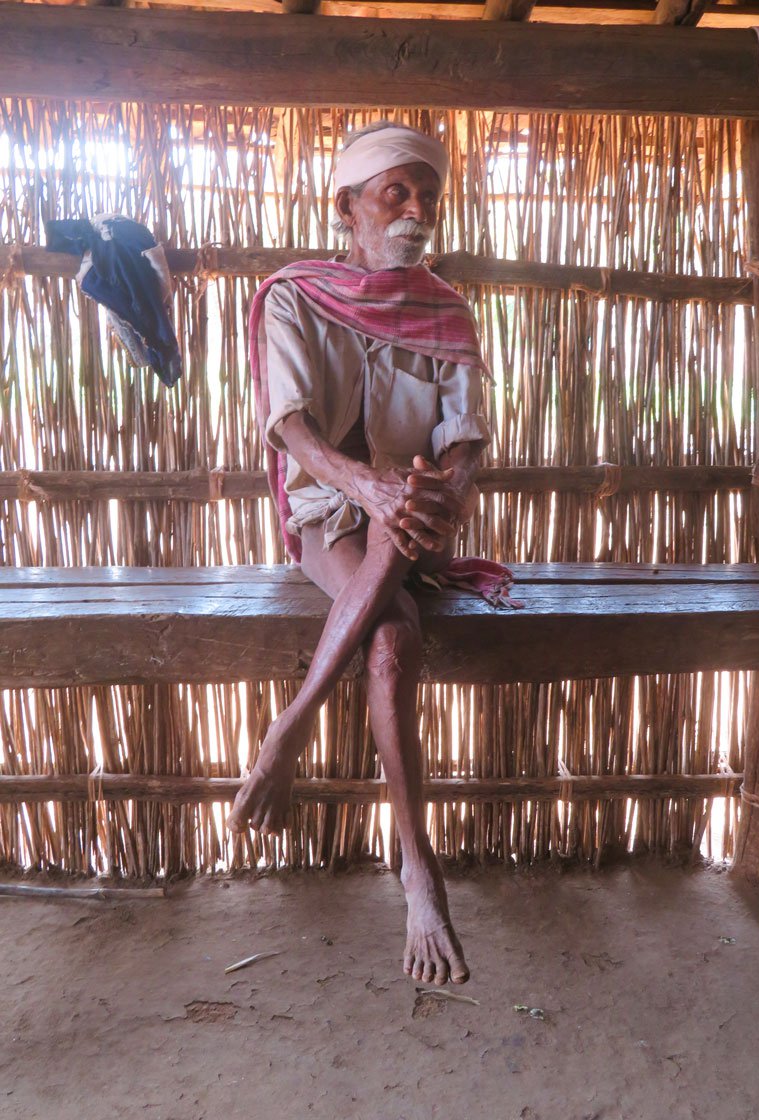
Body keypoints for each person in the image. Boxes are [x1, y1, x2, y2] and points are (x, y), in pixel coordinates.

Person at [227, 120, 494, 987]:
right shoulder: (294, 296)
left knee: (404, 515)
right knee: (393, 636)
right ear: (348, 207)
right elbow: (290, 429)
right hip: (325, 516)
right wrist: (369, 487)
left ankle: (289, 725)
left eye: (428, 195)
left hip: (417, 519)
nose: (416, 209)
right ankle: (419, 870)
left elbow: (465, 438)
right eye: (397, 193)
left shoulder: (446, 310)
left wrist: (443, 493)